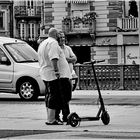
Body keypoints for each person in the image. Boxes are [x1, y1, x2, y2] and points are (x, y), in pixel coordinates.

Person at [37, 28, 72, 125]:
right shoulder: (53, 43)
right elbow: (54, 58)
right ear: (56, 35)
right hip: (55, 75)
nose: (60, 37)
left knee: (50, 95)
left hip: (45, 73)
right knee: (55, 96)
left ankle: (52, 117)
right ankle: (52, 119)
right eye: (59, 35)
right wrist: (56, 71)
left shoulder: (43, 43)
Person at [55, 31, 77, 123]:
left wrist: (66, 59)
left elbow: (75, 58)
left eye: (63, 37)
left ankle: (65, 115)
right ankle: (62, 116)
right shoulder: (56, 48)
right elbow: (59, 60)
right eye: (60, 37)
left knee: (67, 97)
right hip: (61, 76)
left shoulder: (67, 48)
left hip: (69, 75)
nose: (62, 39)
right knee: (61, 98)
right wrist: (68, 60)